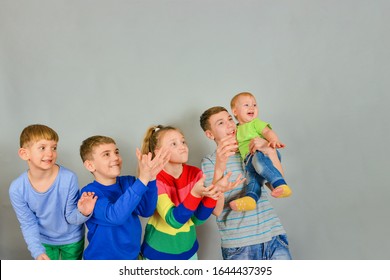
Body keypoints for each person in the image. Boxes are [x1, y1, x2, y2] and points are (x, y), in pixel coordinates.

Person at [200, 106, 292, 260]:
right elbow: (216, 210)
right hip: (240, 245)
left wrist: (269, 151)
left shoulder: (252, 151)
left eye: (230, 119)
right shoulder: (209, 162)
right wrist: (219, 169)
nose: (230, 125)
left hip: (273, 235)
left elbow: (276, 184)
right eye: (221, 123)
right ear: (210, 134)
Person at [9, 124, 97, 260]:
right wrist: (37, 251)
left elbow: (72, 218)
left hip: (72, 239)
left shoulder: (69, 178)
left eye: (54, 148)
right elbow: (28, 223)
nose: (50, 153)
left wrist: (83, 212)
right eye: (42, 148)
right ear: (24, 153)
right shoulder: (17, 189)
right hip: (44, 242)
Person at [140, 125, 225, 260]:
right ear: (158, 151)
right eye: (174, 144)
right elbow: (174, 220)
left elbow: (197, 219)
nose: (182, 146)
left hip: (189, 253)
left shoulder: (195, 174)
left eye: (183, 142)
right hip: (158, 255)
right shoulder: (155, 179)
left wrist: (215, 192)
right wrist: (195, 195)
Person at [79, 135, 169, 260]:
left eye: (116, 152)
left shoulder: (129, 182)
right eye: (106, 154)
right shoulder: (90, 193)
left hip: (132, 258)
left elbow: (146, 211)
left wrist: (151, 178)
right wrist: (143, 179)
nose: (115, 157)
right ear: (90, 165)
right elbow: (115, 216)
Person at [228, 92, 292, 211]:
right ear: (235, 111)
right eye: (246, 105)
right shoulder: (236, 129)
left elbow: (267, 132)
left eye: (254, 105)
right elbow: (237, 145)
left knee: (259, 163)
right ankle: (251, 199)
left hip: (262, 154)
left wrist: (273, 140)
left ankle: (280, 184)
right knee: (251, 180)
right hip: (248, 161)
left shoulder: (255, 123)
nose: (252, 107)